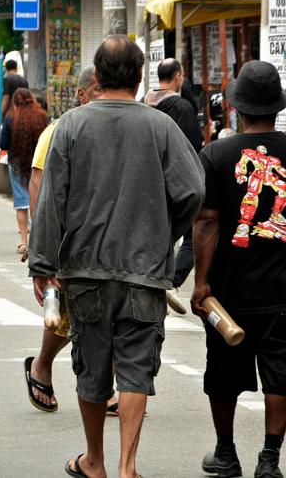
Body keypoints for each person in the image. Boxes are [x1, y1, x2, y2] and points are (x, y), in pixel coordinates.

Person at [29, 36, 205, 478]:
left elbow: (51, 200)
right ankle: (128, 466)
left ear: (98, 74)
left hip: (84, 268)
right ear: (140, 76)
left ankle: (95, 461)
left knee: (92, 366)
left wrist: (42, 264)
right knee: (136, 367)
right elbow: (193, 191)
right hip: (144, 271)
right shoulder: (161, 126)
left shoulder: (71, 126)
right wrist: (164, 234)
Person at [190, 60, 286, 478]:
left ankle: (226, 453)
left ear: (237, 108)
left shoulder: (216, 154)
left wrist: (201, 281)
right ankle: (270, 459)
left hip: (228, 288)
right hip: (283, 288)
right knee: (281, 373)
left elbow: (207, 221)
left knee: (224, 371)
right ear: (277, 107)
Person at [22, 67, 100, 414]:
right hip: (68, 241)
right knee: (65, 317)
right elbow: (38, 184)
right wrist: (42, 245)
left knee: (110, 315)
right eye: (95, 90)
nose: (101, 96)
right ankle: (41, 364)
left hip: (106, 239)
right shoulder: (58, 130)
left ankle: (105, 386)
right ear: (81, 94)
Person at [144, 58, 205, 314]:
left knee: (155, 233)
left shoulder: (143, 105)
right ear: (178, 75)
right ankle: (171, 282)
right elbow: (193, 148)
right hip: (177, 180)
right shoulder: (181, 106)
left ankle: (156, 282)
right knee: (192, 236)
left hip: (148, 181)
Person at [0, 88, 50, 257]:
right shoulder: (42, 116)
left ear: (15, 102)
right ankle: (40, 241)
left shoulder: (10, 118)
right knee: (40, 200)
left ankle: (23, 242)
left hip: (17, 163)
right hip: (39, 162)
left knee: (21, 203)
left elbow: (4, 144)